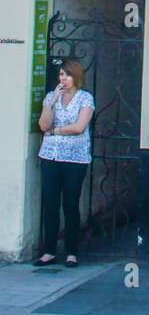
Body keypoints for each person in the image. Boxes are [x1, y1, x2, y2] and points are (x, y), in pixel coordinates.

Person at [34, 59, 94, 267]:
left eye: (67, 75)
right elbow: (43, 125)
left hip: (75, 158)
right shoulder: (52, 96)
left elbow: (79, 127)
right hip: (50, 156)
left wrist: (55, 131)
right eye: (61, 75)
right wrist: (51, 103)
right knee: (50, 203)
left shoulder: (85, 98)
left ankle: (71, 252)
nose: (63, 79)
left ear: (76, 76)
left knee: (70, 203)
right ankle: (49, 251)